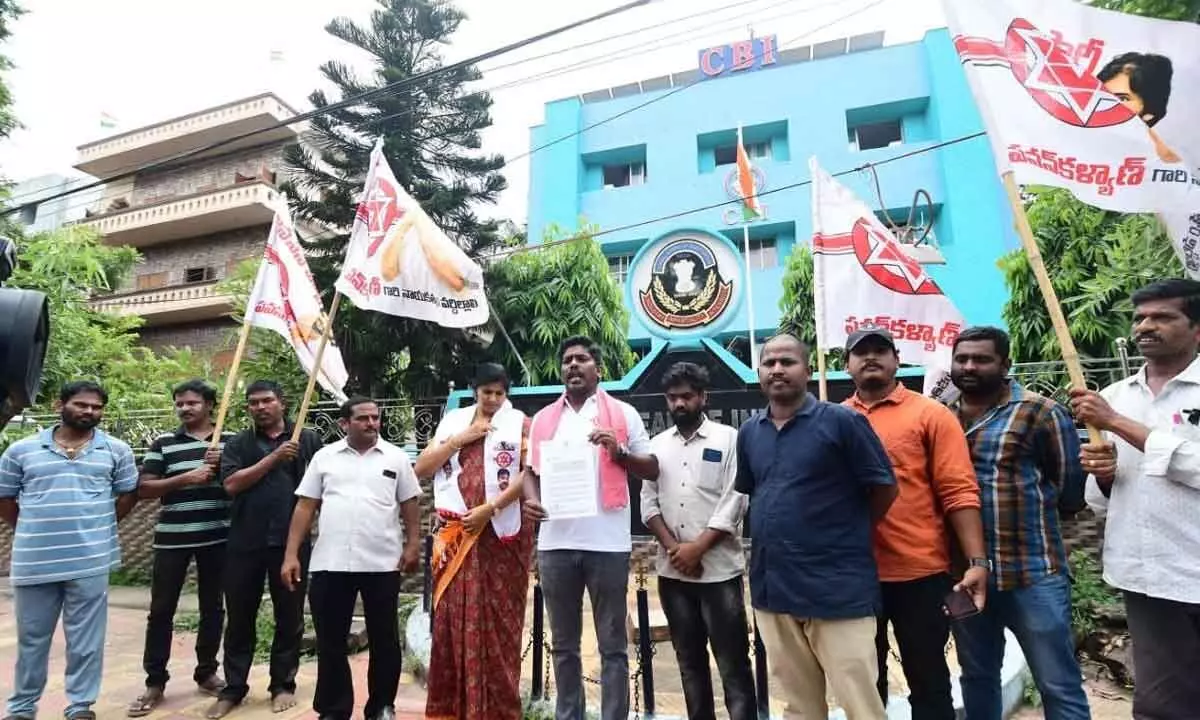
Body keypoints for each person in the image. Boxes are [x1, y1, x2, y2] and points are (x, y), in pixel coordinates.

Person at [735, 334, 897, 720]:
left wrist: (841, 531)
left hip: (837, 590)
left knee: (862, 705)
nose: (777, 369)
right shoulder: (749, 433)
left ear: (807, 371)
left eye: (787, 361)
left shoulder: (843, 422)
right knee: (799, 707)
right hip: (773, 591)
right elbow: (755, 494)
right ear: (759, 373)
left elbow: (885, 490)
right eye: (769, 362)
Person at [842, 326, 988, 720]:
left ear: (897, 360)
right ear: (846, 365)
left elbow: (959, 491)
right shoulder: (832, 420)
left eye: (880, 350)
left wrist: (977, 563)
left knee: (928, 683)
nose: (871, 358)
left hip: (920, 573)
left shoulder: (931, 414)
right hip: (854, 575)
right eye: (861, 352)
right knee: (862, 685)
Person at [1070, 279, 1200, 719]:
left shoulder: (1110, 409)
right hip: (1150, 576)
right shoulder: (1115, 396)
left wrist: (1118, 424)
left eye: (1163, 317)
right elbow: (1102, 501)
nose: (1146, 325)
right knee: (1163, 705)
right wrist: (1104, 475)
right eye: (1141, 317)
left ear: (1197, 329)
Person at [947, 327, 1090, 720]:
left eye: (981, 359)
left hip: (1033, 573)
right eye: (962, 359)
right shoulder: (940, 414)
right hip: (963, 576)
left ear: (1005, 364)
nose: (970, 366)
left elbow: (1070, 488)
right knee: (976, 676)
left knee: (1057, 682)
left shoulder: (1039, 412)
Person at [522, 336, 659, 720]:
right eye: (567, 360)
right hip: (555, 545)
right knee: (563, 645)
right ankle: (571, 716)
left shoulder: (623, 414)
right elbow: (530, 473)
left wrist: (619, 452)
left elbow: (651, 467)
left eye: (582, 359)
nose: (573, 365)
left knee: (613, 646)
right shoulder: (546, 420)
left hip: (607, 545)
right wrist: (531, 499)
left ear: (597, 368)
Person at [0, 381, 139, 720]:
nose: (90, 411)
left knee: (86, 641)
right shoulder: (21, 450)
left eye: (96, 407)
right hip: (34, 562)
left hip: (90, 561)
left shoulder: (117, 450)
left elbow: (128, 495)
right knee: (33, 640)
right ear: (59, 405)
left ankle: (80, 705)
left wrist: (99, 526)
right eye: (81, 404)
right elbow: (4, 499)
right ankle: (21, 708)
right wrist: (34, 528)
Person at [281, 396, 422, 720]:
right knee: (330, 641)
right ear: (344, 423)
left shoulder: (396, 458)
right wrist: (291, 555)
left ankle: (382, 706)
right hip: (331, 563)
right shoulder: (324, 458)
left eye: (375, 417)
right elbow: (305, 506)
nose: (372, 423)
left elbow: (410, 504)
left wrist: (412, 545)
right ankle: (334, 708)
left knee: (385, 640)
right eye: (363, 418)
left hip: (382, 563)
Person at [416, 363, 533, 720]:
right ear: (474, 390)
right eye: (487, 392)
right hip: (455, 538)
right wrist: (461, 439)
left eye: (500, 393)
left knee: (501, 625)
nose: (494, 400)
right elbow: (421, 469)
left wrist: (491, 508)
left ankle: (498, 710)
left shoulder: (521, 424)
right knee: (452, 621)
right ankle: (452, 708)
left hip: (502, 538)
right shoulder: (453, 422)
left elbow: (531, 473)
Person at [641, 361, 756, 720]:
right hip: (673, 574)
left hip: (719, 571)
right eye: (673, 397)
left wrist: (698, 548)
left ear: (703, 397)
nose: (679, 404)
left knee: (733, 661)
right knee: (689, 661)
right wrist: (676, 550)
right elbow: (648, 503)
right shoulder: (656, 446)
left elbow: (736, 499)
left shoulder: (729, 439)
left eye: (687, 396)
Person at [207, 380, 324, 719]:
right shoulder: (238, 444)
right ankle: (233, 688)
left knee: (289, 615)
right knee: (240, 616)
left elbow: (317, 490)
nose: (260, 407)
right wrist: (274, 457)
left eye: (266, 400)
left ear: (282, 403)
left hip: (291, 545)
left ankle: (283, 684)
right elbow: (230, 485)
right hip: (244, 543)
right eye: (253, 402)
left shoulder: (308, 438)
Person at [128, 380, 236, 717]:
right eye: (180, 404)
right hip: (172, 538)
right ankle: (155, 681)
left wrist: (222, 466)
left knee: (213, 609)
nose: (185, 408)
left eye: (192, 403)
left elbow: (240, 484)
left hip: (218, 537)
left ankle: (206, 672)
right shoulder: (163, 443)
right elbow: (144, 488)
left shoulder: (230, 442)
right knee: (161, 610)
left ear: (209, 405)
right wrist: (186, 478)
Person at [1097, 52, 1179, 164]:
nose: (1109, 104)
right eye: (1104, 95)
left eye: (1123, 99)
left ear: (1150, 109)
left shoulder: (1168, 162)